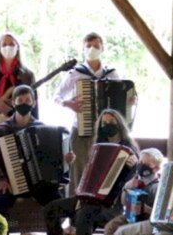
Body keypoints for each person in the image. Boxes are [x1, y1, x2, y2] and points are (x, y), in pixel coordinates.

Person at [44, 109, 139, 235]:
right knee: (51, 208)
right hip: (88, 198)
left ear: (119, 125)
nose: (107, 126)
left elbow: (135, 181)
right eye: (103, 123)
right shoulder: (97, 147)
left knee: (84, 214)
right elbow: (89, 174)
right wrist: (81, 186)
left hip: (112, 205)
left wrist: (134, 166)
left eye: (111, 122)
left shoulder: (130, 150)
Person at [0, 84, 64, 235]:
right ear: (13, 103)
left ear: (34, 103)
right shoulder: (1, 130)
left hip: (36, 182)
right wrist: (1, 180)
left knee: (55, 201)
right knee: (0, 201)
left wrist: (65, 161)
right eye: (20, 100)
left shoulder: (43, 128)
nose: (24, 103)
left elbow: (51, 160)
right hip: (10, 181)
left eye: (27, 100)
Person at [55, 32, 132, 196]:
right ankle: (74, 211)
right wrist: (68, 104)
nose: (92, 49)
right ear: (83, 49)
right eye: (88, 46)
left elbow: (121, 98)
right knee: (78, 171)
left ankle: (97, 210)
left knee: (103, 171)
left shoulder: (112, 73)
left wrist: (128, 101)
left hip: (107, 131)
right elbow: (57, 96)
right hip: (81, 128)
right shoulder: (75, 73)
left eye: (96, 46)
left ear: (102, 48)